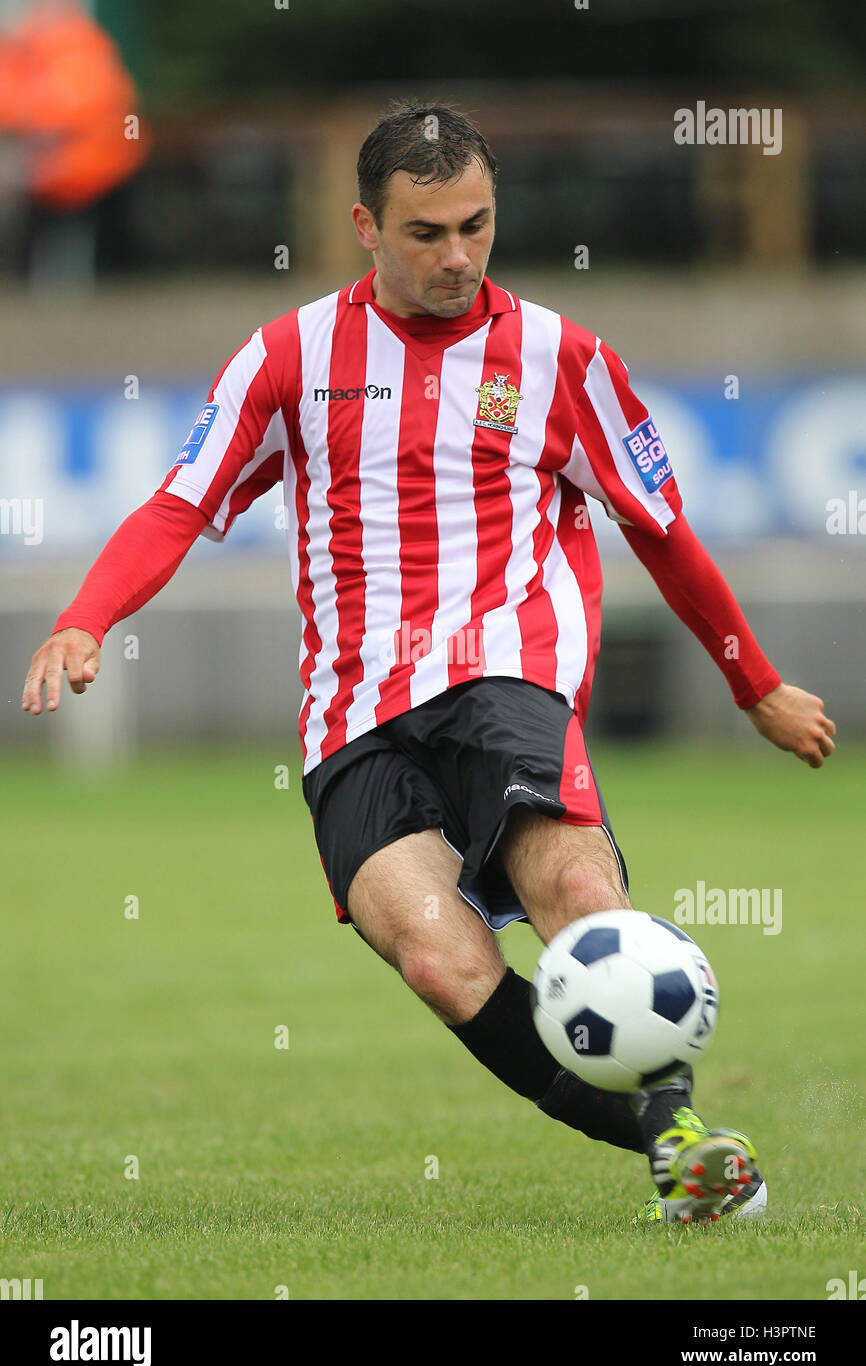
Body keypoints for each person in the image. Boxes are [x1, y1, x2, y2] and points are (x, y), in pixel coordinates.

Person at [22, 100, 836, 1225]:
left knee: (576, 889)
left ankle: (681, 1130)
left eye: (475, 226)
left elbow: (660, 528)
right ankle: (667, 1140)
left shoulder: (561, 357)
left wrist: (752, 684)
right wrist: (87, 616)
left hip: (504, 663)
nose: (456, 256)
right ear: (365, 225)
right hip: (351, 709)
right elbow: (178, 500)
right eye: (425, 233)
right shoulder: (288, 356)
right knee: (438, 962)